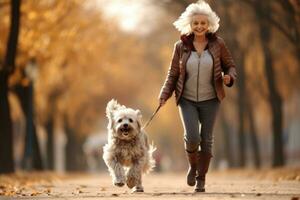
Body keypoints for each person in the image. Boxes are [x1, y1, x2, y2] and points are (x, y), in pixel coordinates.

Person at [158, 0, 237, 192]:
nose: (199, 26)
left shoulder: (218, 44)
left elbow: (230, 65)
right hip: (187, 99)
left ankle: (201, 179)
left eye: (203, 23)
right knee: (192, 137)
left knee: (207, 139)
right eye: (196, 23)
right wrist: (164, 94)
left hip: (211, 99)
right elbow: (173, 74)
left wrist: (229, 77)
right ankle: (193, 167)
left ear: (209, 24)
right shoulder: (180, 46)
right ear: (189, 25)